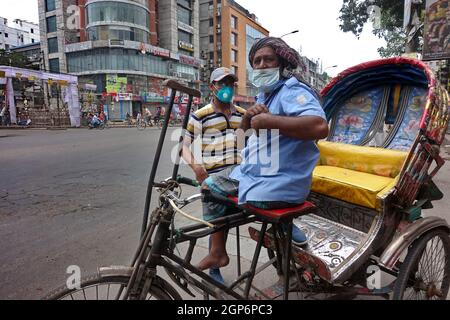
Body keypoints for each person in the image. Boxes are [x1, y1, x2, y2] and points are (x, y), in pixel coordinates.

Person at [196, 37, 329, 272]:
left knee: (209, 187)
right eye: (256, 61)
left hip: (279, 181)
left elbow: (320, 126)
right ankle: (283, 229)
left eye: (268, 59)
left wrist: (270, 121)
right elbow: (243, 137)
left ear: (281, 64)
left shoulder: (293, 90)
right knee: (219, 185)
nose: (262, 65)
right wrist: (248, 118)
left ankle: (218, 253)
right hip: (259, 173)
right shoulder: (265, 95)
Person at [182, 67, 245, 283]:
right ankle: (215, 268)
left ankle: (216, 257)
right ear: (212, 87)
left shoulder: (242, 115)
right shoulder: (201, 116)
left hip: (239, 174)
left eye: (230, 83)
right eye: (222, 83)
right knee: (217, 220)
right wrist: (196, 167)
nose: (226, 88)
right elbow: (184, 146)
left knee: (226, 217)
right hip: (215, 173)